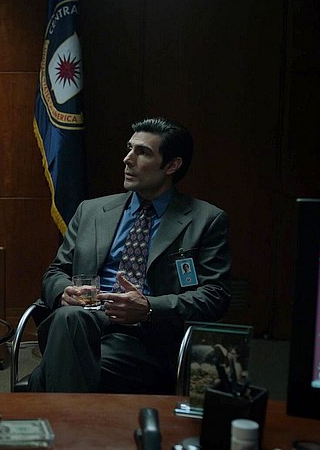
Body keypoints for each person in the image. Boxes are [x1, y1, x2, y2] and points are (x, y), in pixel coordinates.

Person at [29, 117, 231, 394]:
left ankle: (51, 406)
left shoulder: (205, 220)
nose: (127, 159)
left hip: (147, 337)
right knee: (71, 317)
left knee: (48, 373)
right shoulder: (91, 211)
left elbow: (215, 296)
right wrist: (64, 292)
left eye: (143, 152)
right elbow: (56, 272)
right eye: (129, 149)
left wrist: (148, 307)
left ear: (172, 165)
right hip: (84, 323)